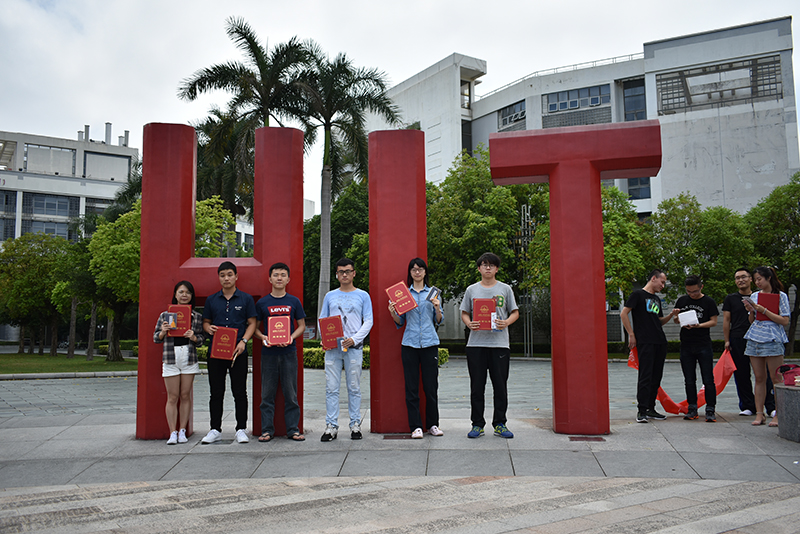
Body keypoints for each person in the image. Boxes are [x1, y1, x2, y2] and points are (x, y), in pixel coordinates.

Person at [460, 252, 519, 439]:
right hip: (476, 344)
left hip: (500, 345)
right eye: (484, 265)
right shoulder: (471, 290)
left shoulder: (505, 289)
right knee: (477, 387)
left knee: (500, 386)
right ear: (479, 268)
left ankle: (500, 423)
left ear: (497, 269)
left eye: (491, 265)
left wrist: (506, 322)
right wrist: (469, 323)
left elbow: (515, 312)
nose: (488, 268)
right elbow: (464, 312)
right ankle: (477, 424)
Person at [201, 261, 257, 444]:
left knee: (239, 391)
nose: (226, 278)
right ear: (219, 278)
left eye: (229, 274)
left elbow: (252, 323)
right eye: (222, 275)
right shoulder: (211, 300)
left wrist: (243, 341)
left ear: (236, 276)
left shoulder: (246, 299)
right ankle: (215, 429)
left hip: (238, 352)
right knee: (216, 392)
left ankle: (241, 429)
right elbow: (206, 322)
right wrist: (208, 328)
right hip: (216, 353)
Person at [319, 258, 374, 442]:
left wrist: (355, 339)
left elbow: (369, 320)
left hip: (354, 347)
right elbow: (322, 319)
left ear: (354, 273)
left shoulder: (363, 296)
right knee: (331, 388)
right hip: (333, 348)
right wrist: (325, 339)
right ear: (336, 274)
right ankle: (331, 426)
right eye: (341, 271)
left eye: (348, 271)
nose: (344, 274)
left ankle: (355, 424)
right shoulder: (330, 296)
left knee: (354, 387)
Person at [388, 258, 444, 439]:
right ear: (410, 273)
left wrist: (437, 308)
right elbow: (400, 321)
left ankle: (433, 425)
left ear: (425, 272)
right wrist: (393, 312)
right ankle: (416, 427)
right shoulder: (404, 294)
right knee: (411, 388)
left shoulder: (433, 293)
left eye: (420, 269)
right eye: (414, 269)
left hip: (430, 344)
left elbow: (439, 320)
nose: (417, 272)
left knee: (431, 387)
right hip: (410, 344)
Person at [620, 269, 681, 423]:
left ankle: (651, 408)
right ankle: (641, 410)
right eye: (662, 282)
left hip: (660, 341)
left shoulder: (656, 299)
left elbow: (659, 321)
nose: (663, 285)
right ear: (653, 278)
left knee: (656, 377)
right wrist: (631, 334)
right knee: (645, 376)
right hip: (645, 341)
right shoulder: (637, 295)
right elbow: (623, 313)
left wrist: (671, 315)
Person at [254, 262, 306, 442]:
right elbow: (255, 328)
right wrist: (263, 337)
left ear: (288, 279)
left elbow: (301, 326)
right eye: (276, 275)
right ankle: (267, 430)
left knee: (291, 394)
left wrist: (291, 337)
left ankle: (293, 430)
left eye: (283, 275)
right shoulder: (262, 303)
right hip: (268, 354)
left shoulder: (294, 301)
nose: (279, 278)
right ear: (270, 278)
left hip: (289, 353)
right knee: (267, 394)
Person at [153, 281, 205, 445]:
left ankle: (182, 430)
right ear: (175, 294)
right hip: (171, 357)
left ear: (191, 296)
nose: (184, 295)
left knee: (185, 394)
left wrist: (194, 337)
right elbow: (155, 338)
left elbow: (202, 340)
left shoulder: (196, 316)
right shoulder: (165, 315)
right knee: (173, 396)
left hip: (188, 357)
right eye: (181, 292)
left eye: (188, 292)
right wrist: (163, 332)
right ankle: (172, 432)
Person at [723, 268, 775, 417]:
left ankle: (770, 406)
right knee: (741, 374)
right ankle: (747, 406)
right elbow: (726, 320)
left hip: (759, 337)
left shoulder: (759, 296)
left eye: (743, 277)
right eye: (737, 278)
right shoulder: (731, 298)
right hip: (738, 338)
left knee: (764, 374)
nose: (741, 280)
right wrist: (727, 340)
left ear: (751, 279)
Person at [743, 266, 790, 427]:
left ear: (768, 278)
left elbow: (784, 320)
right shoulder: (755, 296)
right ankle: (759, 413)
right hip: (755, 336)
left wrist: (764, 310)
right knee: (759, 377)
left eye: (759, 279)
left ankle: (778, 413)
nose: (757, 282)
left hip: (773, 337)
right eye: (755, 280)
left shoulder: (781, 296)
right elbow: (752, 320)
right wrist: (751, 310)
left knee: (776, 378)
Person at [673, 275, 719, 422]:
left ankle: (710, 409)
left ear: (701, 287)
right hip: (686, 344)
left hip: (703, 344)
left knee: (708, 379)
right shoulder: (682, 300)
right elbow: (676, 320)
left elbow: (714, 321)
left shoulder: (708, 301)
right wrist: (676, 317)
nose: (692, 294)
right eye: (689, 291)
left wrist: (699, 325)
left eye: (695, 291)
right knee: (689, 379)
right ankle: (692, 408)